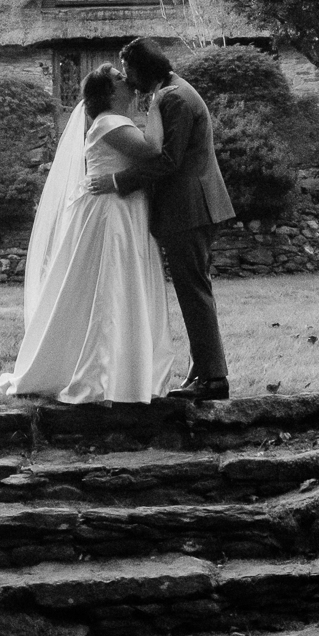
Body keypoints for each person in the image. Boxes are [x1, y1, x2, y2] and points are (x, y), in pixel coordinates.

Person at [0, 65, 176, 404]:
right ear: (108, 92)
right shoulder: (109, 121)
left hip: (123, 206)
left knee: (115, 285)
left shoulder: (113, 121)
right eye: (121, 79)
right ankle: (102, 372)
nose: (129, 81)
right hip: (112, 214)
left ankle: (121, 369)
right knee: (109, 286)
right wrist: (157, 105)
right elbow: (152, 151)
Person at [88, 37, 235, 401]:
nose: (125, 78)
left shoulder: (173, 98)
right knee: (192, 288)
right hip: (189, 206)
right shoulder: (171, 92)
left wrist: (117, 181)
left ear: (139, 69)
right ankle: (201, 371)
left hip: (189, 207)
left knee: (194, 289)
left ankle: (214, 380)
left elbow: (169, 159)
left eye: (127, 71)